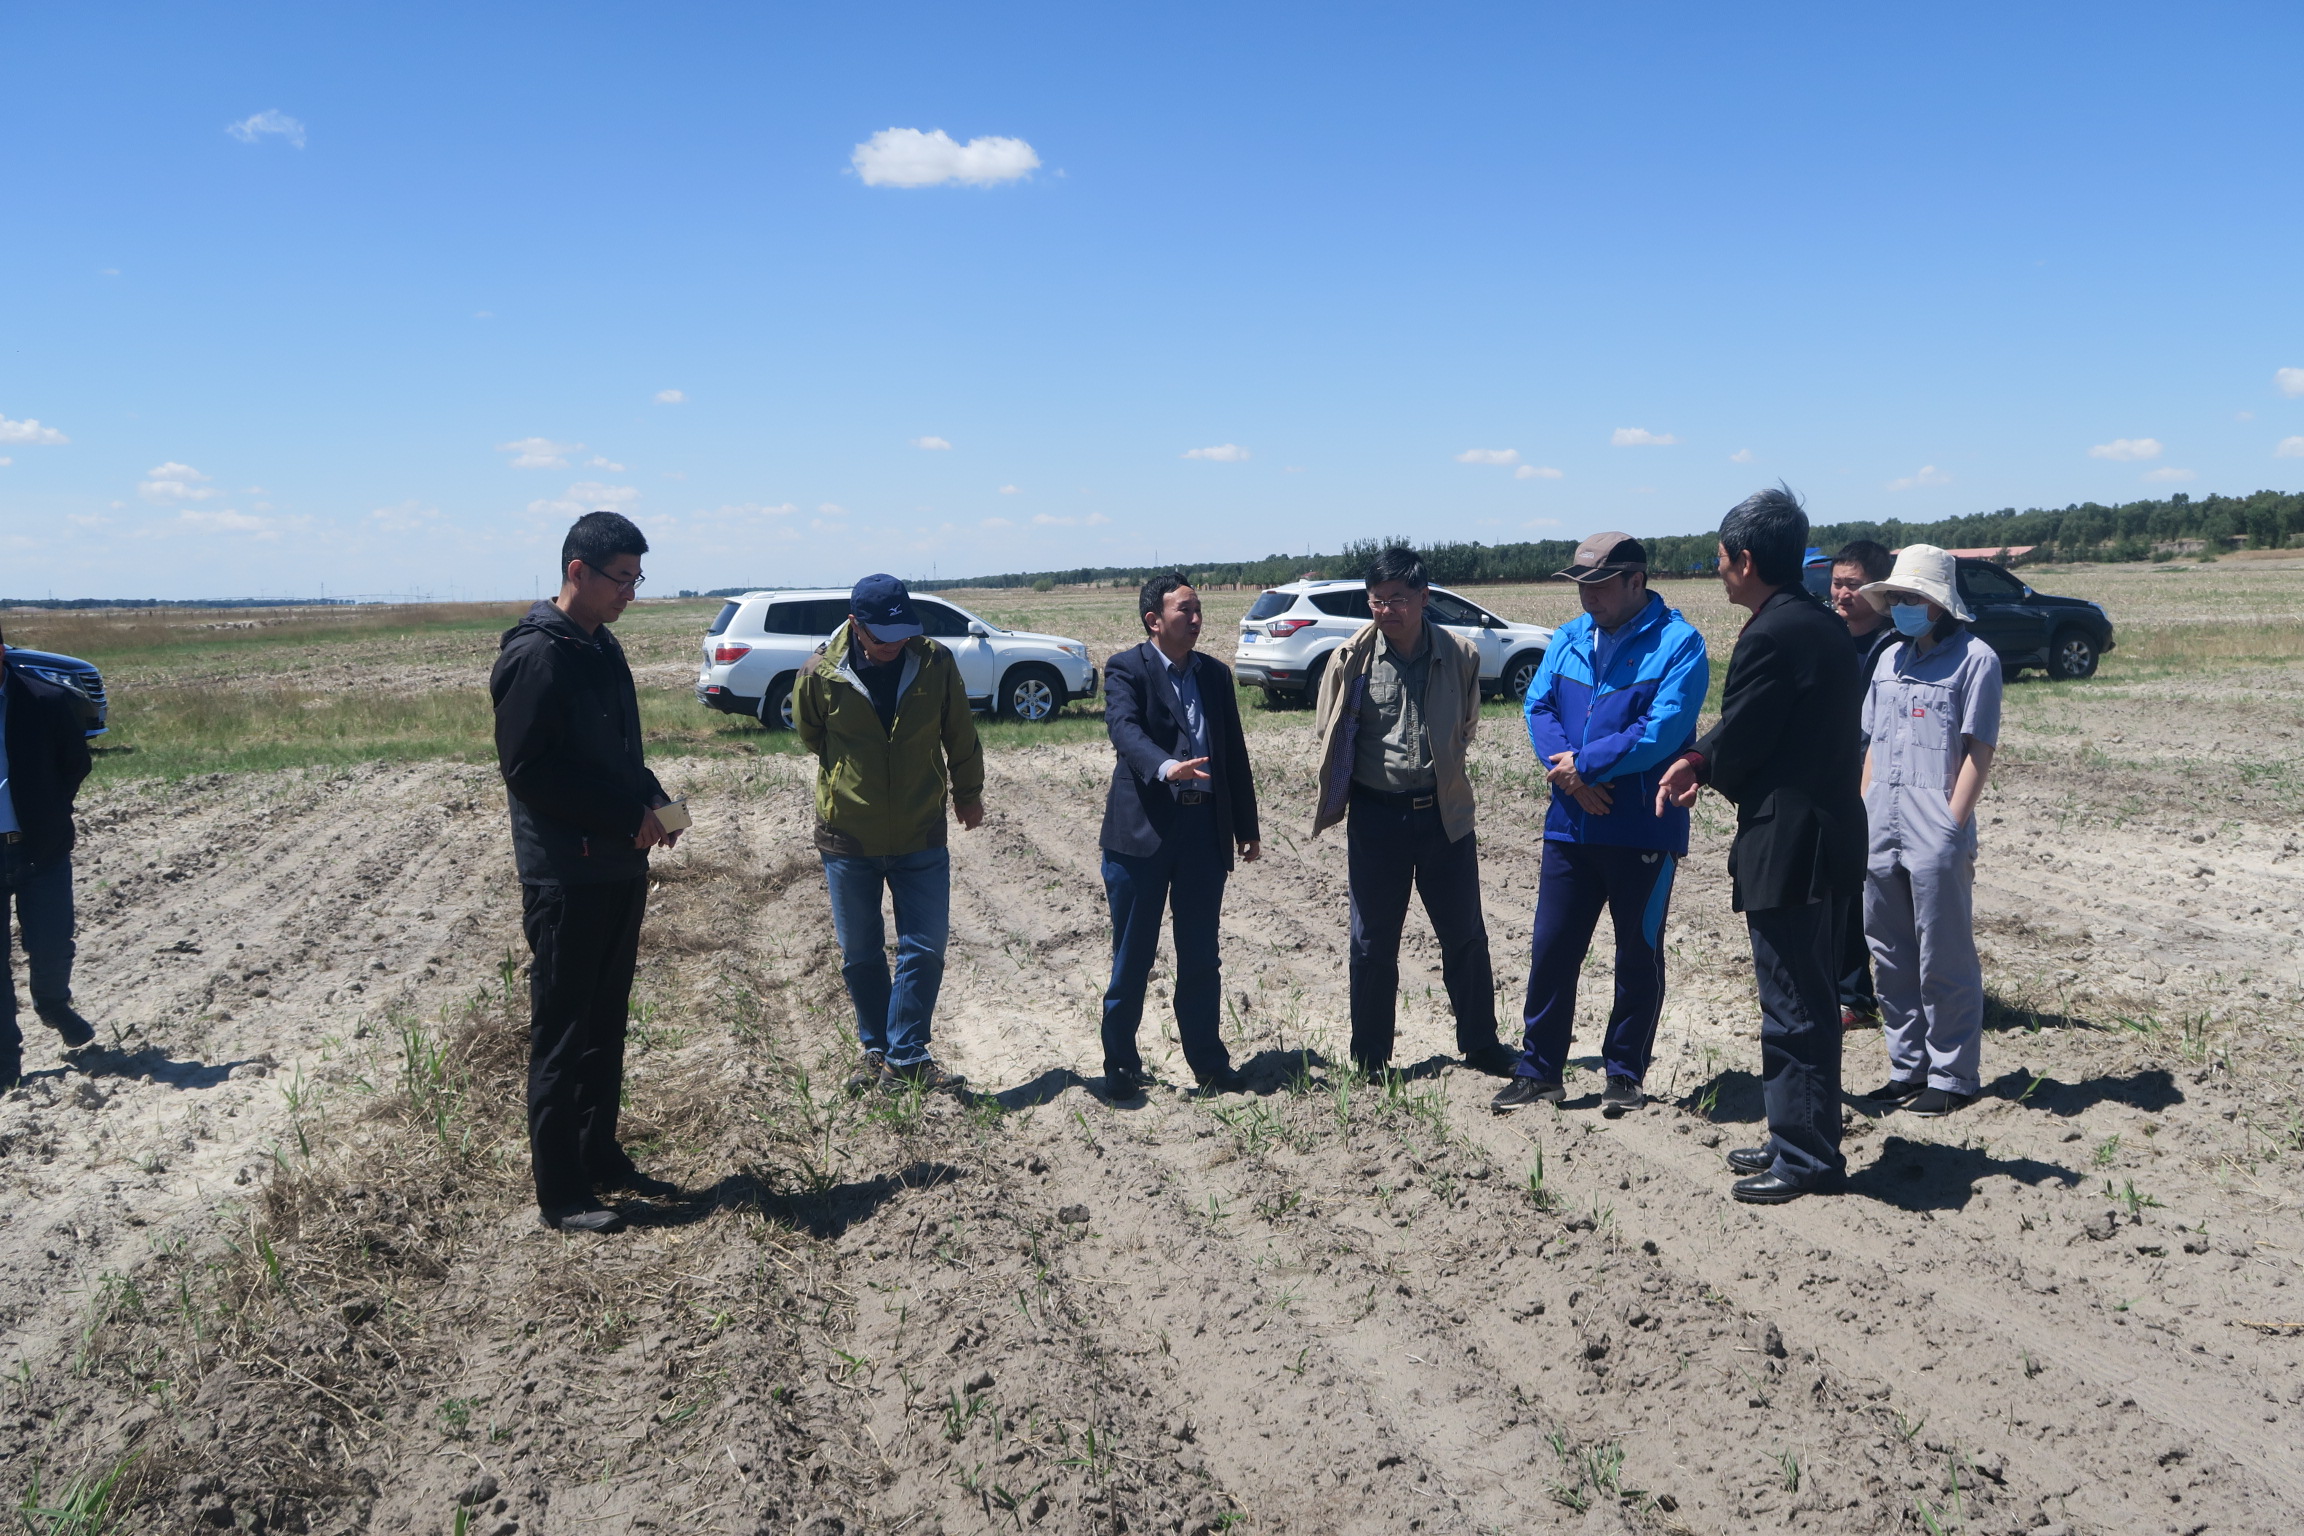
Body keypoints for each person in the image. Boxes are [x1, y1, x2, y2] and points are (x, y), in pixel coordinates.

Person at [1657, 488, 1866, 1203]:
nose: (1717, 569)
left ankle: (1807, 1158)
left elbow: (1746, 732)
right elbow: (1768, 724)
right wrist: (1704, 759)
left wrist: (1699, 764)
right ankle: (1793, 1133)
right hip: (1828, 835)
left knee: (1794, 1005)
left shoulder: (1771, 634)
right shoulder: (1820, 622)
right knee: (1807, 996)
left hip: (1792, 843)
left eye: (1720, 557)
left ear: (1745, 560)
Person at [491, 511, 683, 1235]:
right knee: (564, 1031)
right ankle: (562, 1192)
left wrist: (652, 798)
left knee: (606, 1023)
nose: (631, 592)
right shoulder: (537, 656)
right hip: (565, 878)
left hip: (615, 867)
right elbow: (529, 770)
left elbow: (618, 754)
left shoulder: (601, 646)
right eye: (621, 578)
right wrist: (621, 813)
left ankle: (599, 1154)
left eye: (637, 578)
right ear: (578, 571)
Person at [1494, 534, 1709, 1116]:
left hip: (1642, 825)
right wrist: (1570, 776)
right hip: (1571, 824)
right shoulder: (1568, 637)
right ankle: (1540, 1070)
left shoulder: (1680, 644)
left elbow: (1664, 729)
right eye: (1581, 586)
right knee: (1552, 949)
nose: (1587, 597)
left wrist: (1585, 766)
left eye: (1599, 585)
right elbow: (1537, 706)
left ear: (1636, 581)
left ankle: (1625, 1073)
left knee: (1637, 953)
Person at [1312, 546, 1516, 1077]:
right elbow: (1329, 730)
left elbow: (1466, 725)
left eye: (1398, 599)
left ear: (1424, 598)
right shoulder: (1350, 660)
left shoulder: (1460, 654)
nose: (1387, 610)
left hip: (1444, 816)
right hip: (1377, 820)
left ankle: (1481, 1044)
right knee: (1371, 943)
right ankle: (1370, 1058)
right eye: (1377, 600)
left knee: (1465, 935)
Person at [796, 574, 985, 1097]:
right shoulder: (819, 672)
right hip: (848, 835)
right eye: (882, 636)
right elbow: (812, 734)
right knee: (860, 952)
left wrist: (968, 793)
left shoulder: (935, 662)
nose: (894, 644)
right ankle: (877, 1050)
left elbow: (960, 733)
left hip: (920, 829)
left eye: (902, 633)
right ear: (855, 625)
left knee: (924, 946)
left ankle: (907, 1055)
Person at [1098, 574, 1262, 1099]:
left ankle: (1210, 1064)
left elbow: (1232, 752)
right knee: (1133, 955)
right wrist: (1166, 767)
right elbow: (1124, 730)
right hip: (1141, 835)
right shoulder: (1126, 668)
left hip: (1202, 834)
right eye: (1184, 610)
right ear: (1154, 620)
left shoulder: (1215, 674)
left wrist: (1246, 827)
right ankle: (1121, 1064)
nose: (1196, 619)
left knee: (1200, 957)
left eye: (1198, 609)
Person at [1855, 544, 2002, 1117]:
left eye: (1912, 597)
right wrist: (1863, 807)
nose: (1902, 607)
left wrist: (1950, 824)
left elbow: (1978, 751)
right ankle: (1907, 1066)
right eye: (1896, 597)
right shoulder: (1888, 659)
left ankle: (1953, 1074)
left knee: (1943, 955)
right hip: (1880, 821)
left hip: (1934, 824)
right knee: (1889, 953)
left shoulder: (1977, 660)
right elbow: (1872, 743)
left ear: (1940, 603)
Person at [1, 624, 97, 1090]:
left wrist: (50, 810)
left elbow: (75, 764)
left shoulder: (46, 700)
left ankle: (53, 1003)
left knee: (52, 944)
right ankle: (6, 1062)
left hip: (41, 849)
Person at [1829, 539, 1899, 1032]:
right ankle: (1846, 990)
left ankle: (1863, 995)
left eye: (1853, 585)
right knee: (1840, 889)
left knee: (1871, 890)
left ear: (1878, 590)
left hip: (1876, 781)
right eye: (1837, 583)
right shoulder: (1828, 637)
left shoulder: (1894, 649)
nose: (1842, 594)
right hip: (1832, 777)